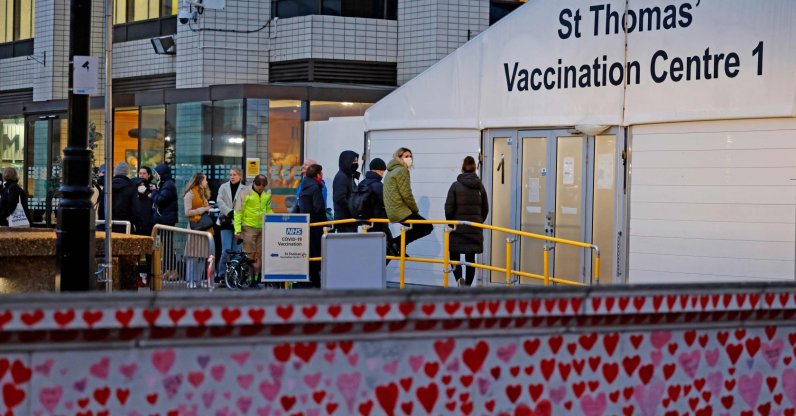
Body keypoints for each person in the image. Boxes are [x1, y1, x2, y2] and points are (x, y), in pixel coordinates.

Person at [444, 156, 489, 287]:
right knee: (470, 258)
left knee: (454, 255)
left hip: (458, 228)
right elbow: (485, 208)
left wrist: (451, 223)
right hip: (474, 228)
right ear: (474, 168)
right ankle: (468, 285)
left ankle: (459, 278)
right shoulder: (480, 187)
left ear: (462, 168)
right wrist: (479, 221)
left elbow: (448, 207)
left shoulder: (455, 186)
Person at [383, 147, 433, 253]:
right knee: (427, 227)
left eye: (410, 156)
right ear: (399, 157)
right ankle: (394, 243)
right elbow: (406, 194)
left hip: (392, 211)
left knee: (417, 227)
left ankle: (399, 246)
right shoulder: (402, 170)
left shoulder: (390, 171)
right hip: (400, 210)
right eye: (406, 156)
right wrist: (414, 209)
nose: (409, 158)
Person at [357, 158, 398, 259]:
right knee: (391, 250)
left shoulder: (362, 183)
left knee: (372, 251)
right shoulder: (378, 185)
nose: (383, 173)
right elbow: (387, 202)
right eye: (382, 171)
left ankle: (372, 271)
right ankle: (375, 272)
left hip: (366, 223)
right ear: (378, 170)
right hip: (379, 223)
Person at [234, 174, 273, 278]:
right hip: (248, 227)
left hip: (262, 227)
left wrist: (273, 221)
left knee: (258, 254)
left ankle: (256, 278)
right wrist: (237, 229)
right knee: (250, 254)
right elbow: (238, 212)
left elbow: (268, 209)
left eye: (263, 188)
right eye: (259, 188)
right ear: (254, 184)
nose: (261, 190)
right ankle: (248, 277)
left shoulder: (267, 193)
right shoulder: (245, 193)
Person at [183, 173, 213, 288]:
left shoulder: (202, 194)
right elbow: (187, 212)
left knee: (202, 256)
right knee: (193, 256)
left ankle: (198, 280)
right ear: (199, 181)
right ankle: (190, 280)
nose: (207, 182)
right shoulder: (189, 194)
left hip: (204, 228)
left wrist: (208, 209)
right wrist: (203, 209)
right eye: (205, 180)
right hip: (195, 228)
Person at [298, 164, 326, 288]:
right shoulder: (315, 187)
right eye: (321, 172)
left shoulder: (304, 185)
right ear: (317, 174)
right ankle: (317, 283)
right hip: (316, 225)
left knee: (310, 254)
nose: (323, 175)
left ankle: (312, 280)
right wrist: (326, 222)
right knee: (317, 254)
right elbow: (319, 208)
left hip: (307, 225)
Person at [216, 167, 244, 281]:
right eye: (230, 174)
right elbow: (219, 201)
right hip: (226, 222)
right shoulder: (223, 187)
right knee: (226, 250)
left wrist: (238, 215)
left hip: (238, 223)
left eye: (234, 175)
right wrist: (229, 211)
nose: (232, 177)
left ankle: (233, 275)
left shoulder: (245, 189)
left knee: (237, 251)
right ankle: (222, 274)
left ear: (240, 176)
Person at [101, 162, 140, 232]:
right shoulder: (131, 186)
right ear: (127, 173)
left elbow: (101, 206)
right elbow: (135, 209)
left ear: (115, 172)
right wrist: (136, 224)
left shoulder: (107, 186)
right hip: (125, 225)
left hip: (107, 224)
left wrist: (101, 222)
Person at [332, 150, 360, 232]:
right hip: (344, 221)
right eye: (353, 161)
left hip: (349, 221)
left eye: (356, 161)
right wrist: (353, 210)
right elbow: (339, 198)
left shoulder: (348, 176)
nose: (355, 163)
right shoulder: (342, 177)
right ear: (346, 161)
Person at [132, 166, 155, 236]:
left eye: (144, 173)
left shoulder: (153, 187)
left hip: (149, 220)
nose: (141, 175)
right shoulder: (134, 186)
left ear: (149, 175)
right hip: (137, 220)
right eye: (140, 173)